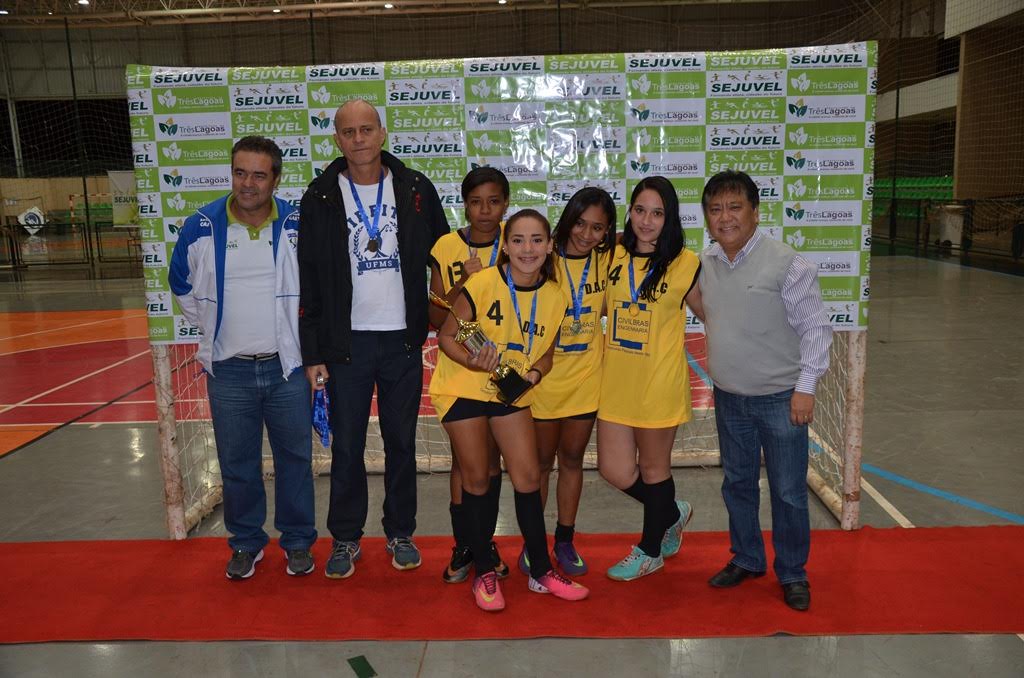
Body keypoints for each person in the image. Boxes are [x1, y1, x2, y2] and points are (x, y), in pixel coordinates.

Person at [297, 99, 449, 579]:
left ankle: (401, 531)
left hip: (402, 340)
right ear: (337, 140)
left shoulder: (416, 188)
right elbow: (309, 278)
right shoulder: (320, 195)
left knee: (401, 442)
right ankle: (345, 537)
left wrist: (449, 319)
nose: (358, 138)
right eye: (348, 131)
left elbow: (443, 256)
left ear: (382, 133)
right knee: (347, 447)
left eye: (366, 129)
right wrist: (313, 352)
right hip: (346, 345)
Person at [169, 136, 316, 580]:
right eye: (239, 173)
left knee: (295, 461)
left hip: (287, 367)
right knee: (237, 466)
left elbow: (319, 286)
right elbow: (181, 285)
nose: (247, 184)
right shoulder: (201, 226)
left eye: (258, 175)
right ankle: (247, 543)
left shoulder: (298, 223)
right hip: (229, 371)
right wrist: (215, 329)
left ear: (276, 179)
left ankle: (297, 542)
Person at [430, 209, 589, 611]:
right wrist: (472, 362)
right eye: (518, 240)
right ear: (505, 245)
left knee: (528, 476)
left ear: (549, 246)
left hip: (509, 390)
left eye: (537, 240)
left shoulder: (556, 296)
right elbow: (447, 336)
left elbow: (546, 354)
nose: (527, 249)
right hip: (463, 388)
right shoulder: (483, 282)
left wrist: (534, 374)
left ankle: (541, 571)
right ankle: (484, 572)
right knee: (477, 479)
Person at [695, 170, 832, 612]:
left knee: (789, 491)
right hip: (729, 398)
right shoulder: (706, 263)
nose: (725, 218)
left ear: (755, 211)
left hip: (781, 399)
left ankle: (792, 572)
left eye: (735, 207)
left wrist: (805, 388)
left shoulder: (788, 264)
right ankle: (747, 558)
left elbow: (815, 330)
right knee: (737, 484)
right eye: (716, 209)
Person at [596, 176, 701, 581]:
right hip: (616, 381)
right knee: (615, 470)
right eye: (640, 210)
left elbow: (713, 313)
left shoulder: (685, 263)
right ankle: (671, 511)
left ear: (669, 218)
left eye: (657, 213)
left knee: (655, 469)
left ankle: (649, 550)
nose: (646, 220)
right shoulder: (612, 256)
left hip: (659, 382)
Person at [528, 187, 617, 577]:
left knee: (572, 461)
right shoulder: (543, 258)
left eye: (597, 227)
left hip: (585, 378)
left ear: (607, 231)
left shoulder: (609, 259)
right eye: (580, 223)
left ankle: (564, 540)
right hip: (544, 379)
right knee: (539, 464)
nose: (586, 234)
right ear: (568, 220)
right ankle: (534, 542)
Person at [428, 167, 511, 584]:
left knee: (492, 464)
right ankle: (465, 544)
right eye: (476, 202)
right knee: (464, 462)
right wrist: (465, 281)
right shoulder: (446, 246)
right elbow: (435, 316)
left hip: (504, 370)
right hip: (461, 366)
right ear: (464, 205)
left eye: (494, 202)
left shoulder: (516, 242)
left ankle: (484, 542)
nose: (485, 210)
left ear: (506, 204)